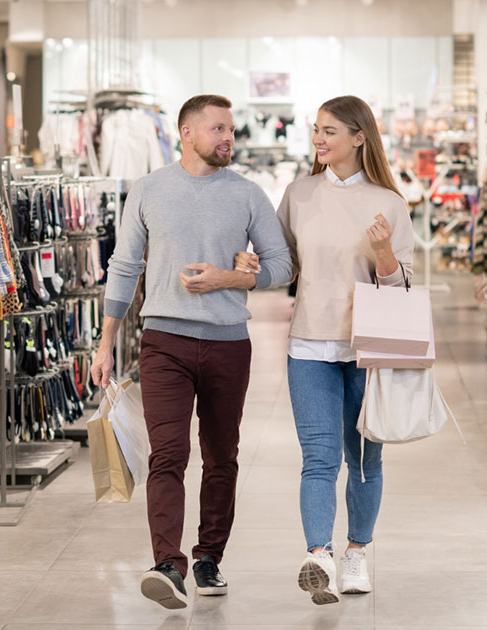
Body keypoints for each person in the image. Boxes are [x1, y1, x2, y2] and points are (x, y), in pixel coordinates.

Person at [90, 94, 292, 609]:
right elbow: (124, 266)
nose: (229, 138)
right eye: (218, 129)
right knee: (169, 455)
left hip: (229, 344)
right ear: (186, 132)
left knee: (221, 457)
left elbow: (282, 266)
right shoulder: (149, 189)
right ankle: (167, 565)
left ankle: (208, 558)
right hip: (164, 343)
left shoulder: (248, 194)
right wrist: (106, 341)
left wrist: (231, 277)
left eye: (230, 130)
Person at [238, 95, 414, 605]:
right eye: (316, 129)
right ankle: (320, 556)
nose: (318, 138)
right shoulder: (298, 193)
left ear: (359, 137)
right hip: (309, 345)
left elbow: (402, 283)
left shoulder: (389, 201)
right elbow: (282, 267)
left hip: (369, 348)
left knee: (363, 460)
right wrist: (247, 269)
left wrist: (382, 253)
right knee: (318, 458)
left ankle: (357, 552)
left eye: (329, 130)